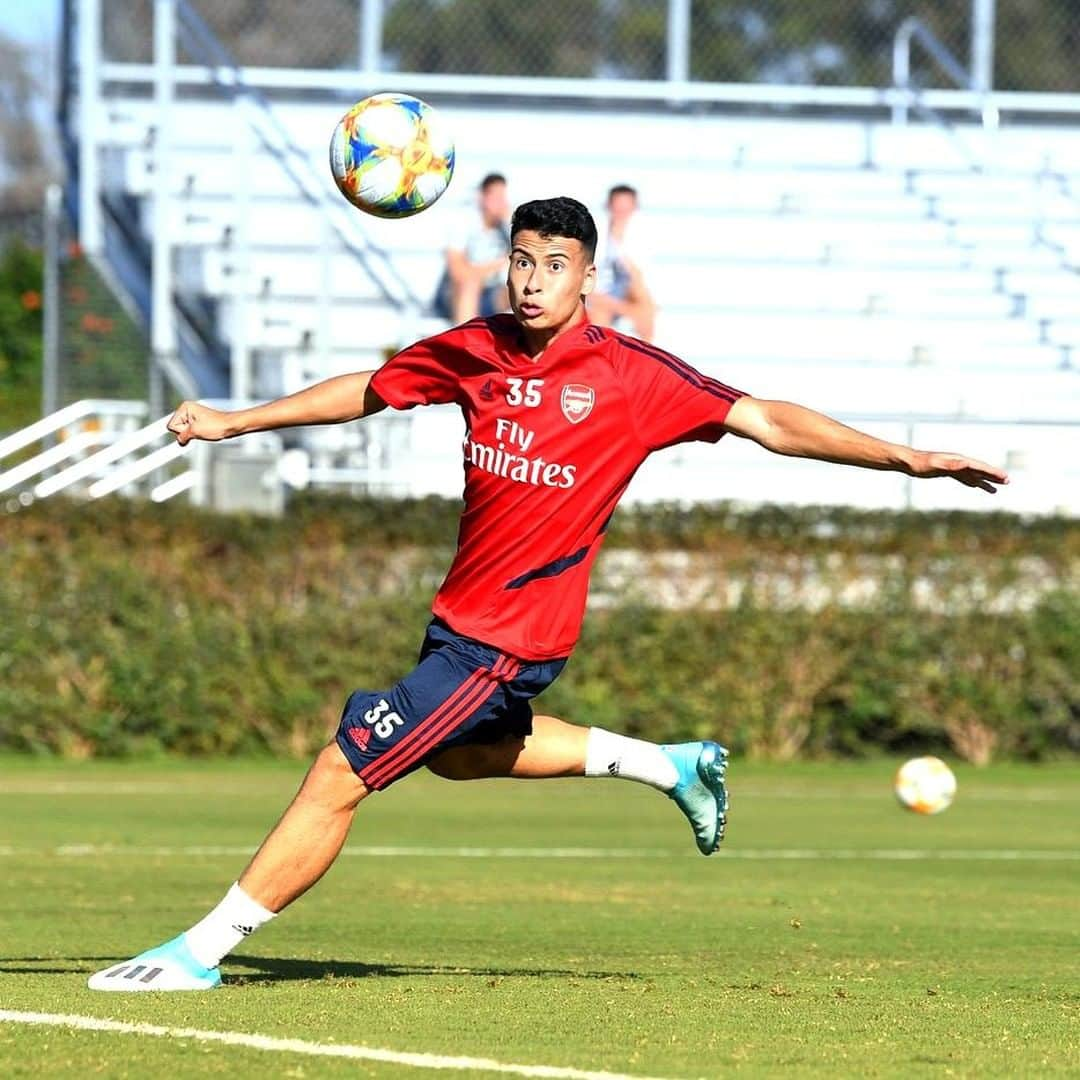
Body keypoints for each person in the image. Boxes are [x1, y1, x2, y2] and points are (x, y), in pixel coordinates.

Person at [89, 196, 1008, 992]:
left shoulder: (632, 377)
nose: (532, 281)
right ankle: (670, 765)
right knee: (454, 758)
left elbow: (766, 420)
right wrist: (234, 421)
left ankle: (200, 952)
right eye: (522, 261)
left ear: (587, 278)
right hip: (458, 625)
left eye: (554, 266)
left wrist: (906, 458)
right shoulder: (473, 351)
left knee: (347, 763)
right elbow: (368, 390)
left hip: (510, 637)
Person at [434, 172, 511, 323]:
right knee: (470, 285)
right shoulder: (464, 224)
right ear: (482, 197)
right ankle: (466, 344)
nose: (501, 203)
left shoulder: (505, 228)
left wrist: (512, 224)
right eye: (496, 198)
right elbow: (458, 273)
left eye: (503, 198)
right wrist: (495, 266)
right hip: (454, 295)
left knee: (524, 290)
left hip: (492, 294)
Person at [588, 184, 656, 340]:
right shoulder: (595, 233)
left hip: (630, 295)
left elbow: (639, 279)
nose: (621, 213)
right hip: (599, 296)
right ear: (609, 206)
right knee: (599, 313)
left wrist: (619, 245)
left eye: (626, 208)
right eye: (618, 207)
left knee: (643, 306)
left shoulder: (643, 236)